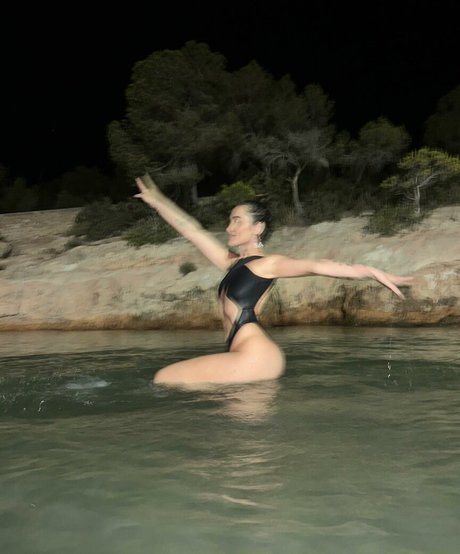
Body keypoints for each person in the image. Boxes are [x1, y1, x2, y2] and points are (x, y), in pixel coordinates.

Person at [134, 174, 412, 387]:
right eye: (229, 221)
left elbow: (316, 266)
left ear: (258, 227)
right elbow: (192, 230)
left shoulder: (268, 264)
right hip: (248, 356)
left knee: (165, 378)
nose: (229, 227)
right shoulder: (232, 263)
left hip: (254, 356)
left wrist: (370, 271)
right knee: (244, 440)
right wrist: (157, 200)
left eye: (237, 221)